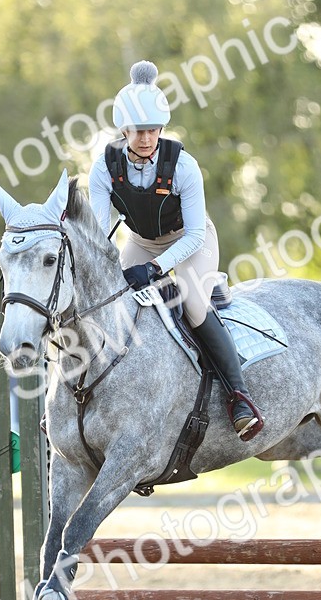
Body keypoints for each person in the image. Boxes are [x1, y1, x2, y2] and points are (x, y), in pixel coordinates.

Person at [88, 60, 261, 439]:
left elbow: (196, 233)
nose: (146, 138)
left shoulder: (183, 165)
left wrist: (154, 270)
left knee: (194, 303)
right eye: (137, 131)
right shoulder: (103, 168)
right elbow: (101, 234)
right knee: (109, 302)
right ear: (123, 130)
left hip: (190, 242)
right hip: (139, 242)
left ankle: (239, 397)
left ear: (162, 129)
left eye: (152, 130)